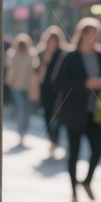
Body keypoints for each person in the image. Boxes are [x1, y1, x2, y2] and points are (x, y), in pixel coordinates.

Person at [53, 18, 101, 202]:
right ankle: (73, 192)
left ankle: (86, 181)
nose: (98, 37)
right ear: (84, 34)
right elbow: (58, 83)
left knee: (98, 150)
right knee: (74, 153)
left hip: (95, 113)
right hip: (74, 112)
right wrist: (85, 84)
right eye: (95, 33)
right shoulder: (71, 56)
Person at [36, 26, 67, 155]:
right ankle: (52, 140)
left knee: (58, 117)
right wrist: (45, 61)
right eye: (50, 40)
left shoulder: (63, 54)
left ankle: (56, 139)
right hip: (45, 89)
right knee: (47, 115)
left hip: (59, 91)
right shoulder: (41, 53)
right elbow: (39, 77)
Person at [5, 33, 39, 147]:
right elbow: (9, 68)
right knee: (22, 109)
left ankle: (23, 130)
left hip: (29, 87)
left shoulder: (32, 54)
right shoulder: (12, 54)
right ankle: (21, 132)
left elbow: (35, 69)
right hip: (17, 86)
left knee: (28, 110)